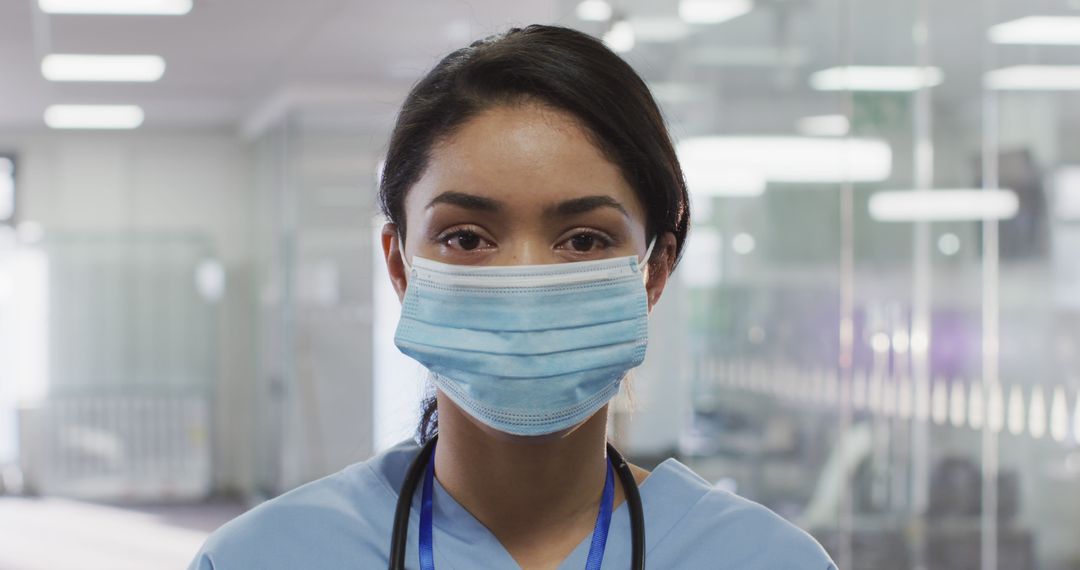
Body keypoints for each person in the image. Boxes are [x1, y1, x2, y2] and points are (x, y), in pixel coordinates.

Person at [189, 24, 837, 570]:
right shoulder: (263, 557)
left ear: (655, 270)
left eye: (583, 240)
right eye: (467, 237)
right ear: (400, 264)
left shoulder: (764, 559)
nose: (523, 284)